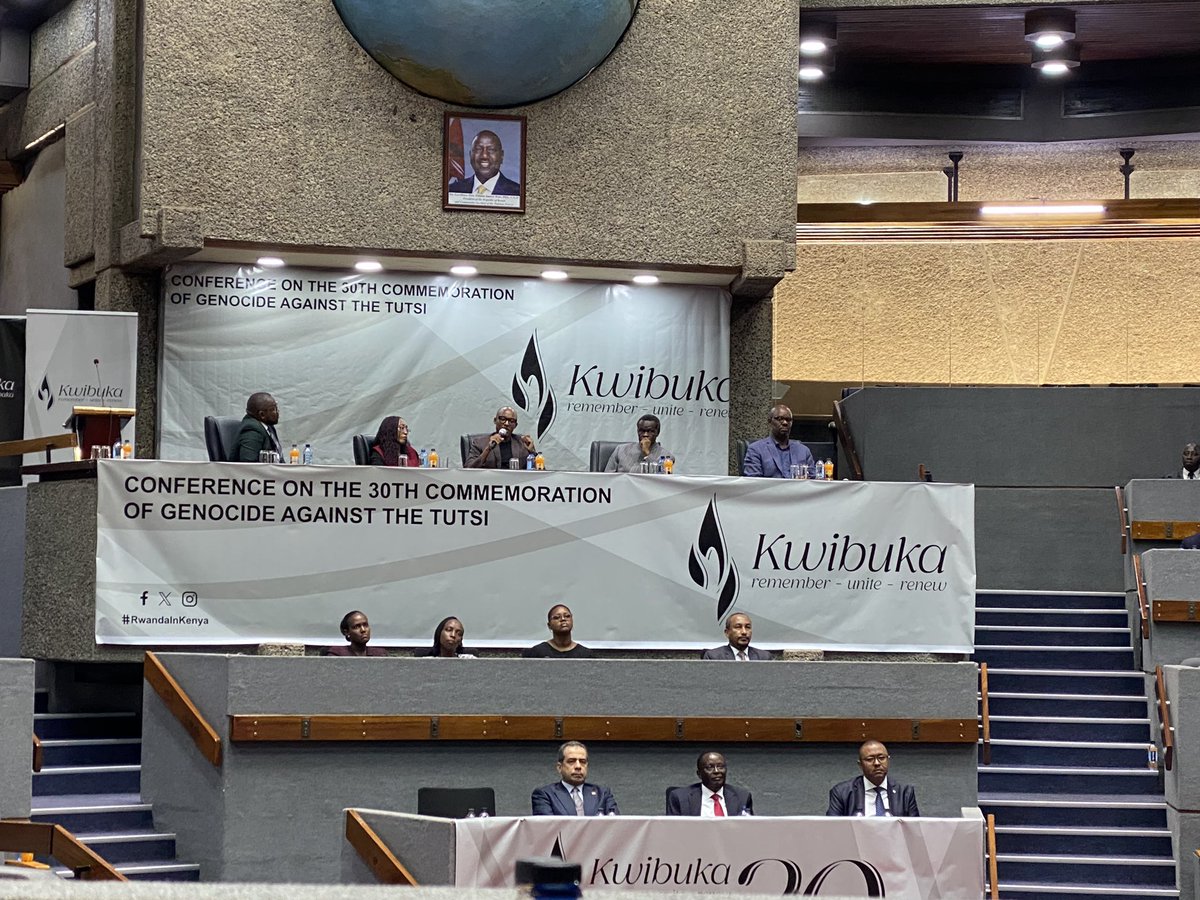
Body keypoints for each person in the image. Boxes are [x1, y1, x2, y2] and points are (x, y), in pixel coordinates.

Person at [826, 739, 920, 817]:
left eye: (881, 758)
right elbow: (833, 828)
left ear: (888, 760)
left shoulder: (905, 792)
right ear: (860, 765)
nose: (877, 763)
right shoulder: (841, 792)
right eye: (870, 759)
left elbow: (914, 830)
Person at [530, 741, 619, 816]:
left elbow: (616, 826)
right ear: (559, 767)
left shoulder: (602, 793)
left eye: (583, 762)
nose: (578, 766)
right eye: (571, 761)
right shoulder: (545, 794)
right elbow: (547, 828)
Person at [665, 751, 754, 816]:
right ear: (699, 774)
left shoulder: (742, 796)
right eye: (710, 767)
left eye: (720, 767)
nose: (717, 771)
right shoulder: (680, 797)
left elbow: (749, 830)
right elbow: (673, 831)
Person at [742, 404, 815, 478]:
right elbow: (754, 481)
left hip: (798, 489)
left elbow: (812, 480)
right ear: (770, 422)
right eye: (780, 419)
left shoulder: (803, 451)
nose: (785, 423)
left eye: (788, 420)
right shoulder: (756, 449)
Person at [448, 130, 521, 197]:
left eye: (491, 150)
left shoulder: (517, 192)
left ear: (501, 156)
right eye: (478, 149)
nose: (484, 155)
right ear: (470, 155)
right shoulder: (453, 190)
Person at [466, 406, 535, 469]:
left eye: (511, 421)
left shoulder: (522, 443)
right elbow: (468, 469)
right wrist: (488, 449)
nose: (506, 423)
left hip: (516, 481)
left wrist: (532, 452)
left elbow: (539, 471)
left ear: (515, 425)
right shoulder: (480, 443)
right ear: (495, 420)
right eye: (503, 419)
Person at [522, 604, 597, 658]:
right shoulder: (537, 652)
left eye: (567, 616)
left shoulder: (585, 655)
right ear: (549, 625)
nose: (563, 619)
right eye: (557, 617)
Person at [604, 414, 672, 473]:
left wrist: (647, 455)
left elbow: (663, 482)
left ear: (657, 433)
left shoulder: (667, 457)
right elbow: (607, 477)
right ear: (637, 431)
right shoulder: (620, 450)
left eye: (650, 431)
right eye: (642, 431)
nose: (645, 434)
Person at [701, 612, 772, 661]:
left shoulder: (764, 657)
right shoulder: (714, 657)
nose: (744, 632)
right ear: (727, 632)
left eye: (748, 627)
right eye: (738, 627)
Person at [236, 391, 282, 461]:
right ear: (262, 415)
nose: (277, 412)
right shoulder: (252, 431)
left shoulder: (268, 426)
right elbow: (248, 465)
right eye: (273, 409)